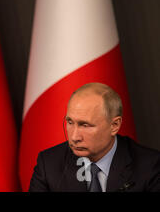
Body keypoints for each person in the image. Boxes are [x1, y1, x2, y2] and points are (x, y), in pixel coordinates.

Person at [29, 82, 160, 192]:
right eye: (70, 122)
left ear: (114, 125)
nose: (74, 137)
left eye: (85, 125)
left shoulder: (151, 167)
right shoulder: (49, 164)